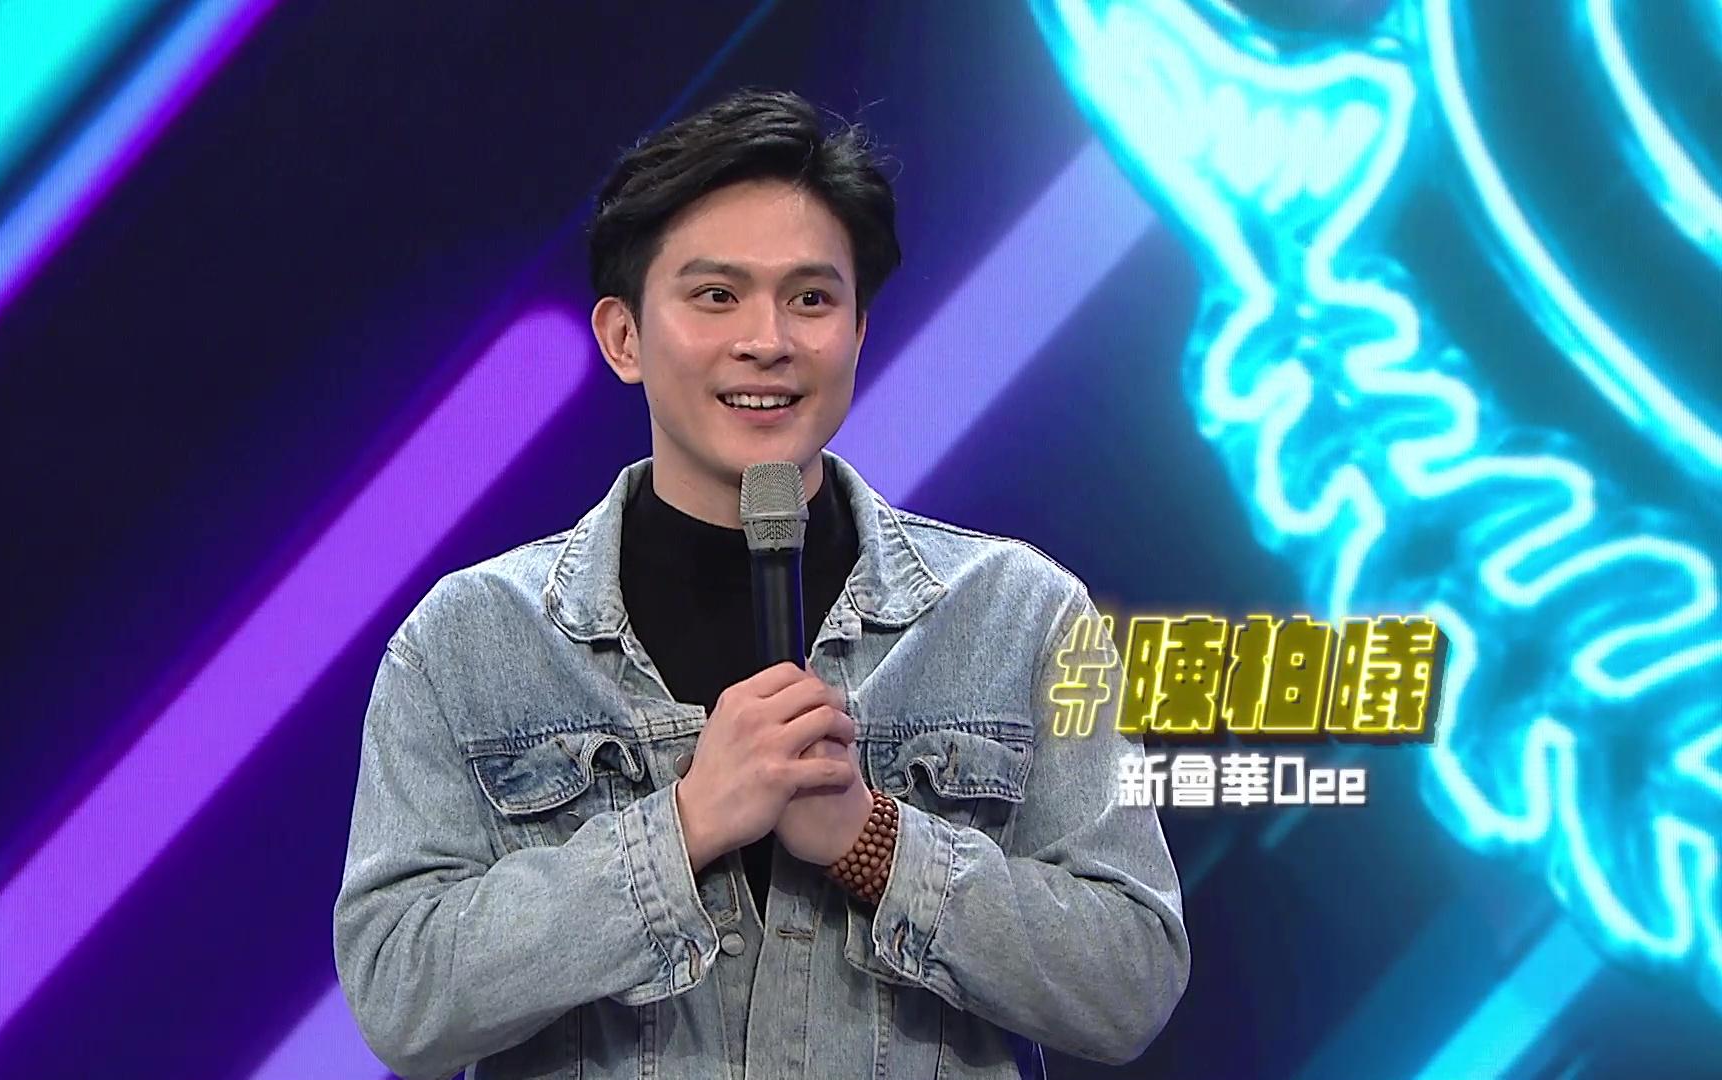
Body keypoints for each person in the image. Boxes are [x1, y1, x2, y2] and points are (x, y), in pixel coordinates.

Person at [333, 86, 1188, 1079]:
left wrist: (876, 844)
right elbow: (400, 994)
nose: (768, 340)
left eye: (811, 299)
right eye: (716, 296)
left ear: (858, 332)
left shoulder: (1020, 616)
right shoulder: (472, 638)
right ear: (622, 337)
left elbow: (1131, 982)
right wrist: (683, 827)